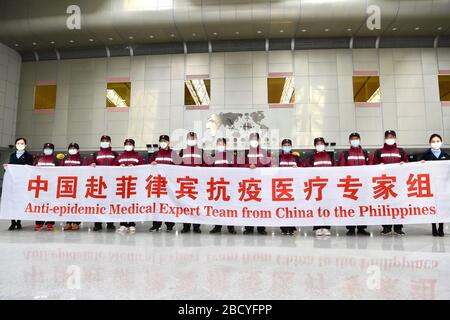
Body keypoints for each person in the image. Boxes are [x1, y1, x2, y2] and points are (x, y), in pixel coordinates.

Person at [373, 130, 409, 236]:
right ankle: (386, 227)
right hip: (384, 183)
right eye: (388, 137)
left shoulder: (401, 151)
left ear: (395, 138)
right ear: (384, 139)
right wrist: (379, 165)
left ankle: (398, 227)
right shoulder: (379, 152)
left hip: (398, 183)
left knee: (398, 205)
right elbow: (374, 164)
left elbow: (406, 164)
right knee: (386, 206)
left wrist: (404, 164)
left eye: (392, 136)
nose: (390, 138)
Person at [339, 132, 372, 236]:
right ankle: (351, 228)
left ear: (360, 140)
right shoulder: (345, 154)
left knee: (362, 207)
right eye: (352, 139)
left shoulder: (365, 153)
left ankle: (362, 228)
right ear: (349, 141)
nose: (355, 140)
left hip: (362, 185)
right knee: (350, 206)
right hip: (350, 185)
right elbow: (341, 168)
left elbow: (371, 167)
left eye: (356, 138)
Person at [243, 132, 271, 235]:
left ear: (259, 141)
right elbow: (239, 166)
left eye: (255, 139)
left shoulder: (265, 152)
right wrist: (248, 166)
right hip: (249, 183)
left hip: (261, 183)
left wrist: (260, 169)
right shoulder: (245, 153)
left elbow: (269, 166)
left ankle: (261, 228)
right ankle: (248, 228)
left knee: (261, 206)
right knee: (249, 205)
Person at [305, 137, 334, 236]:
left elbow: (335, 170)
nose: (320, 145)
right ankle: (317, 227)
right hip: (316, 187)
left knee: (327, 207)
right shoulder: (311, 158)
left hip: (328, 187)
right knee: (317, 207)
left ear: (325, 145)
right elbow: (308, 172)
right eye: (318, 143)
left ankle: (326, 227)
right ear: (315, 146)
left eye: (321, 143)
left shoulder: (330, 157)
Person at [148, 135, 178, 232]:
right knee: (157, 204)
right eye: (161, 141)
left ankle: (169, 225)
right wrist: (152, 163)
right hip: (158, 184)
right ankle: (156, 224)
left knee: (169, 203)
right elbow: (149, 165)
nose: (163, 142)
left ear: (169, 142)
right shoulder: (155, 154)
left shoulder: (173, 153)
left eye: (165, 141)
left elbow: (179, 166)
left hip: (169, 184)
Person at [421, 133, 449, 237]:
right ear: (430, 143)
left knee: (442, 206)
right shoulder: (425, 155)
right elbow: (420, 169)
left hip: (442, 185)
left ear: (441, 142)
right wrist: (422, 164)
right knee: (432, 206)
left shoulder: (446, 155)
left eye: (437, 141)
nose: (435, 143)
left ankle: (441, 227)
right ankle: (433, 227)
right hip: (431, 184)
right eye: (433, 141)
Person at [115, 138, 145, 233]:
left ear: (133, 146)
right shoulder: (120, 157)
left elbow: (143, 168)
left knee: (132, 204)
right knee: (122, 204)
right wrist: (119, 167)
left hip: (133, 184)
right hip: (122, 184)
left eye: (130, 144)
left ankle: (131, 223)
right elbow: (113, 167)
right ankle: (123, 223)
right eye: (127, 144)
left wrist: (135, 168)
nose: (128, 145)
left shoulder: (137, 156)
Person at [3, 138, 34, 230]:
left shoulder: (28, 156)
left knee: (20, 202)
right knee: (12, 202)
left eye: (22, 143)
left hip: (23, 182)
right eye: (18, 143)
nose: (20, 144)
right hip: (13, 182)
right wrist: (7, 168)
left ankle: (19, 221)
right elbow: (11, 166)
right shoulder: (12, 155)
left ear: (25, 145)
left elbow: (30, 168)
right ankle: (13, 222)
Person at [89, 135, 118, 232]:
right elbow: (91, 164)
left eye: (106, 141)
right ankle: (97, 224)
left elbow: (117, 165)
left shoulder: (115, 154)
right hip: (99, 182)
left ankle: (110, 223)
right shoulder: (95, 154)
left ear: (110, 142)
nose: (105, 142)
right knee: (98, 203)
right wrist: (92, 165)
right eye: (103, 141)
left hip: (111, 182)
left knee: (110, 203)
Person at [209, 138, 237, 235]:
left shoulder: (230, 155)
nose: (220, 145)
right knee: (218, 207)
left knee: (229, 207)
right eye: (219, 144)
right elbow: (209, 168)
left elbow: (235, 168)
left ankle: (231, 227)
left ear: (226, 145)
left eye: (222, 144)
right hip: (217, 185)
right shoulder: (213, 156)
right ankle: (217, 226)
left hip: (228, 185)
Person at [179, 132, 204, 233]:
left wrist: (201, 167)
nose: (191, 140)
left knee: (196, 205)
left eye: (193, 138)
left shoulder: (201, 151)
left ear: (196, 139)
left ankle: (196, 226)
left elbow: (207, 165)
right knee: (185, 205)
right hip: (185, 182)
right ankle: (186, 226)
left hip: (197, 183)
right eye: (189, 138)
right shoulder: (182, 151)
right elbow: (177, 165)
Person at [61, 143, 87, 231]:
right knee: (67, 204)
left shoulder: (81, 159)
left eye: (74, 148)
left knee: (76, 204)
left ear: (78, 150)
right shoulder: (65, 158)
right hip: (67, 184)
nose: (72, 149)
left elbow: (84, 170)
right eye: (70, 148)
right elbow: (60, 169)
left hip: (78, 185)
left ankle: (76, 222)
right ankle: (68, 222)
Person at [278, 139, 301, 236]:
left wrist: (298, 168)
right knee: (282, 207)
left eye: (288, 145)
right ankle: (283, 228)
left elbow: (302, 169)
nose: (286, 146)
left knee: (292, 208)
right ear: (282, 146)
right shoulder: (278, 157)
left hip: (293, 186)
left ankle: (291, 228)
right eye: (285, 145)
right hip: (281, 186)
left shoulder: (295, 157)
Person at [34, 143, 58, 231]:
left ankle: (50, 222)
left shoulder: (55, 160)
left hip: (52, 186)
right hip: (40, 186)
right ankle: (39, 222)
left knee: (51, 204)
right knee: (39, 204)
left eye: (49, 148)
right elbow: (31, 170)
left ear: (53, 150)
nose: (47, 150)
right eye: (46, 148)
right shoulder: (38, 159)